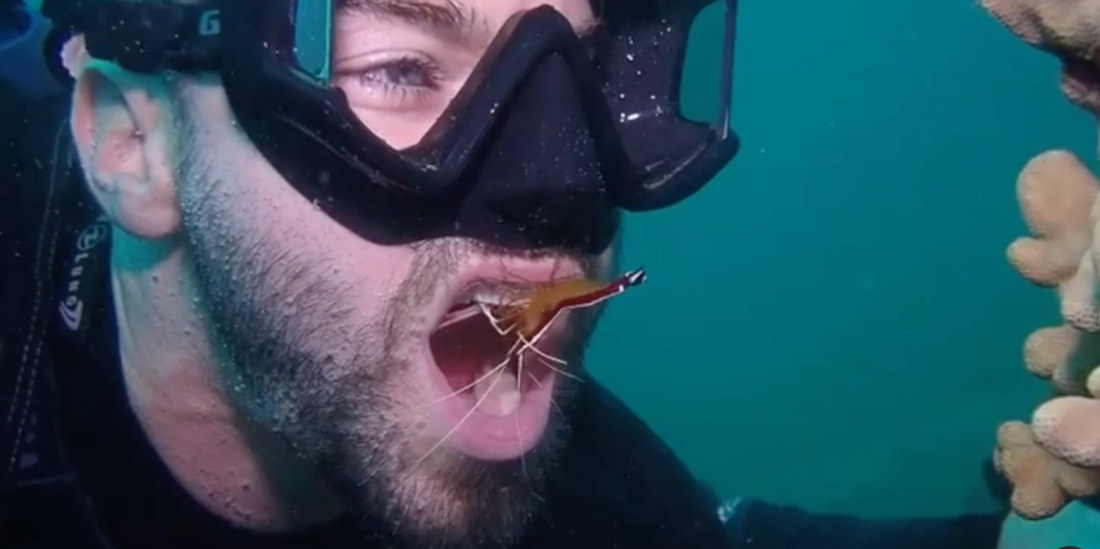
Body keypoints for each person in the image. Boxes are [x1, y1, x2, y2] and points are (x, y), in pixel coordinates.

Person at [0, 0, 1008, 548]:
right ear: (133, 143)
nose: (556, 184)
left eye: (591, 80)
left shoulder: (597, 501)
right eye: (397, 70)